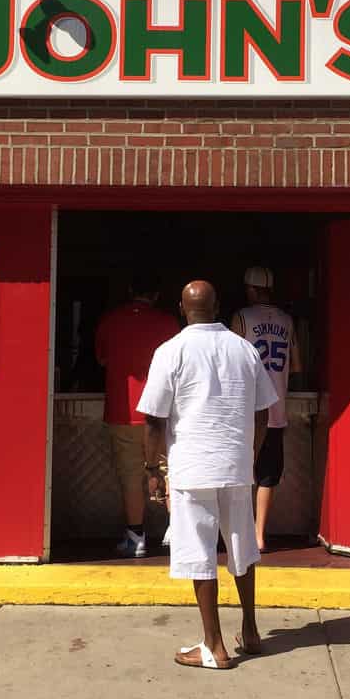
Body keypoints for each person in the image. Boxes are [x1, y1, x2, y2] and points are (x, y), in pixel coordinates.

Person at [137, 280, 278, 670]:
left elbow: (153, 418)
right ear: (218, 306)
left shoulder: (171, 351)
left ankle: (213, 646)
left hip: (192, 466)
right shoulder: (244, 349)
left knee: (199, 552)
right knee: (242, 548)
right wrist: (250, 452)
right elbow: (264, 411)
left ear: (182, 310)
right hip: (235, 466)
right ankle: (250, 631)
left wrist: (152, 469)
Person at [95, 272, 179, 557]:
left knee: (131, 476)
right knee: (171, 471)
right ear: (157, 295)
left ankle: (136, 537)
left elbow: (102, 359)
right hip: (164, 411)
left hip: (122, 411)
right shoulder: (169, 323)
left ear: (130, 289)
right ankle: (178, 532)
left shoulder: (110, 321)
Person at [230, 266, 302, 552]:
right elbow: (296, 366)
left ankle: (240, 532)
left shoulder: (242, 317)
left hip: (245, 410)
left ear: (250, 289)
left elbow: (231, 360)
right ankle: (260, 535)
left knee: (240, 471)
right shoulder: (286, 320)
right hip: (276, 408)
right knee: (268, 474)